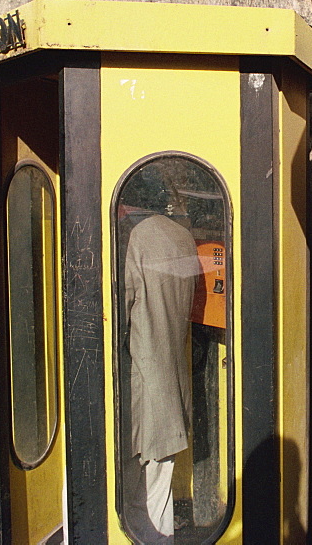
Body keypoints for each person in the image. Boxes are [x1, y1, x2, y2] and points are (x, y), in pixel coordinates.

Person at [121, 207, 199, 543]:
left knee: (138, 469)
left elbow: (121, 303)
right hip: (172, 367)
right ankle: (162, 535)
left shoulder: (136, 236)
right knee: (160, 470)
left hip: (142, 365)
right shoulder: (183, 236)